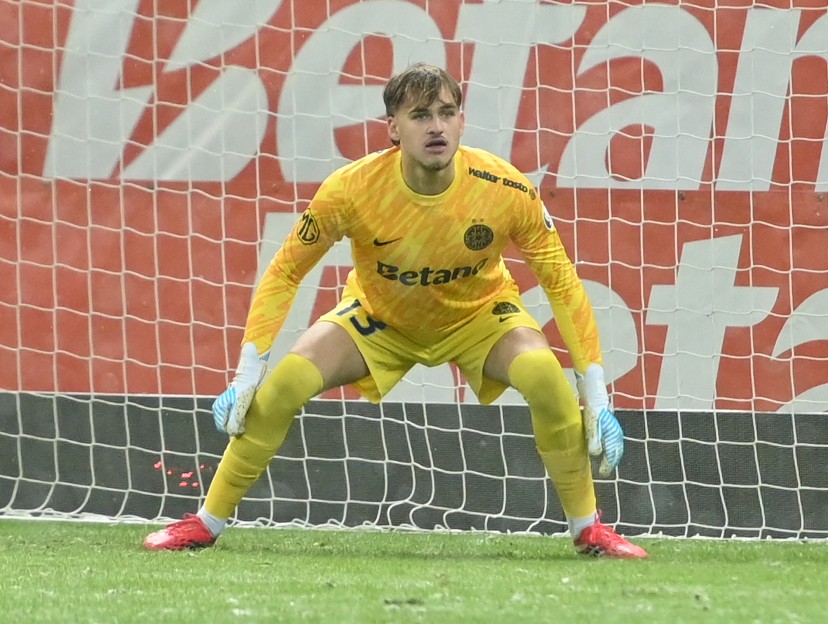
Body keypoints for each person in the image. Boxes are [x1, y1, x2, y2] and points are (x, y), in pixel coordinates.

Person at [144, 63, 647, 558]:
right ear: (393, 128)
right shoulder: (352, 189)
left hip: (478, 316)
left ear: (462, 121)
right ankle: (205, 522)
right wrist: (246, 374)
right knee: (285, 386)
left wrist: (597, 397)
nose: (436, 127)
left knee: (545, 377)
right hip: (379, 319)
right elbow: (285, 271)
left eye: (446, 113)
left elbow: (562, 282)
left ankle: (588, 529)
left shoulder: (505, 188)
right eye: (420, 115)